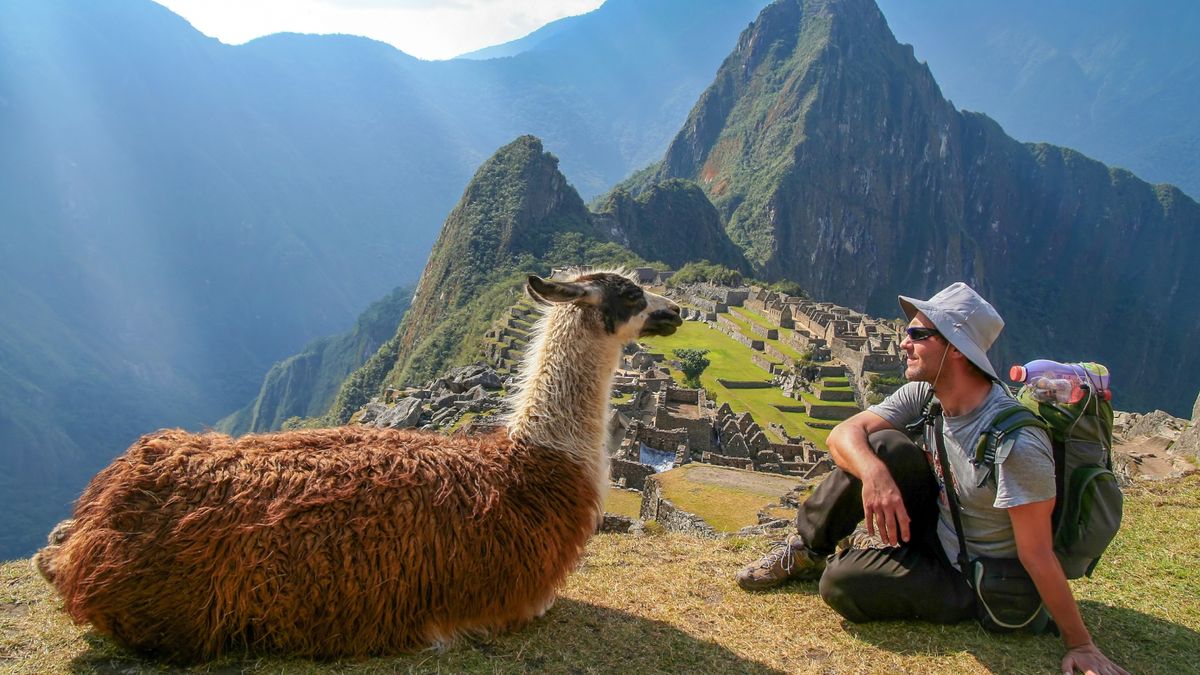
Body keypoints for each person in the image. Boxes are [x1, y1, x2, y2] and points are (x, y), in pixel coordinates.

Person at [734, 283, 1127, 675]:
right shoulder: (926, 395)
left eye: (918, 334)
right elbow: (843, 434)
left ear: (956, 349)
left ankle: (860, 563)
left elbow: (1036, 553)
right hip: (938, 530)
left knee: (841, 583)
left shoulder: (1016, 443)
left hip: (973, 575)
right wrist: (875, 476)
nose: (904, 342)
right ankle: (804, 550)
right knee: (882, 446)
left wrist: (1081, 643)